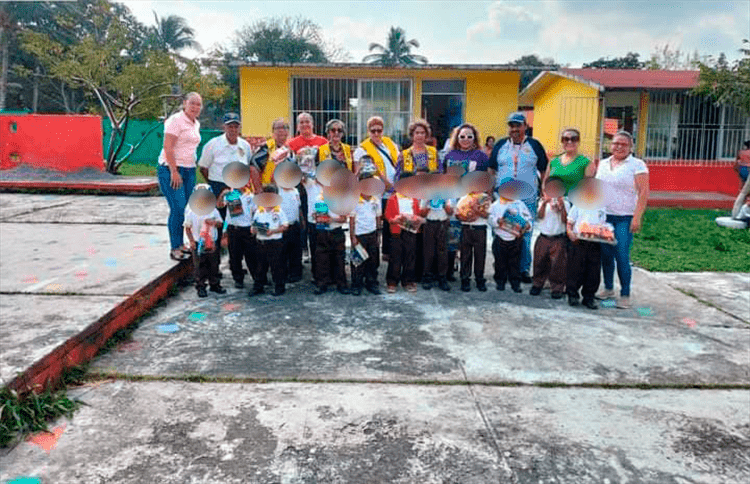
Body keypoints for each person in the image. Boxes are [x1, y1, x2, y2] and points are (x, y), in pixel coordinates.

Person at [489, 112, 549, 283]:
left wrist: (543, 188)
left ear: (525, 126)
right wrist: (490, 191)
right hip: (502, 198)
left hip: (527, 198)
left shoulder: (535, 145)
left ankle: (522, 269)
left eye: (518, 125)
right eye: (511, 126)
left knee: (524, 233)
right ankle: (502, 269)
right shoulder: (500, 145)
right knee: (500, 232)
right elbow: (491, 169)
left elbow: (544, 169)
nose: (514, 129)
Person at [594, 131, 649, 309]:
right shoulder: (603, 164)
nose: (618, 147)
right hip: (604, 217)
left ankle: (625, 294)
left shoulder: (637, 165)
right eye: (615, 143)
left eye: (623, 144)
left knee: (622, 255)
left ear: (630, 147)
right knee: (606, 255)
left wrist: (637, 217)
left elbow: (643, 192)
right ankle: (608, 288)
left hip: (624, 217)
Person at [198, 112, 259, 262]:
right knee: (217, 225)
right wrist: (216, 184)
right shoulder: (212, 144)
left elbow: (248, 166)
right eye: (229, 126)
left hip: (239, 190)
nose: (233, 129)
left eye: (235, 126)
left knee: (237, 225)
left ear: (239, 127)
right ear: (223, 127)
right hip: (219, 187)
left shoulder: (244, 145)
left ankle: (237, 262)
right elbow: (203, 168)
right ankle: (215, 263)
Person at [158, 92, 203, 261]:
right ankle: (174, 247)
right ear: (185, 103)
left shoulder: (195, 124)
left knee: (186, 209)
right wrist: (173, 171)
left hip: (189, 169)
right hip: (171, 169)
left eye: (199, 104)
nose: (195, 107)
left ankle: (182, 243)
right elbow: (168, 147)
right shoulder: (176, 120)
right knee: (178, 207)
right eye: (192, 103)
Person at [354, 116, 400, 259]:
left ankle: (388, 251)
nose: (376, 133)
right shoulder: (362, 149)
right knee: (378, 220)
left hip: (394, 189)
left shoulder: (389, 143)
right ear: (368, 131)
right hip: (377, 191)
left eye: (379, 130)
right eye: (373, 130)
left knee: (391, 220)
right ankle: (378, 252)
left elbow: (398, 162)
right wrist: (385, 182)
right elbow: (359, 172)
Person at [566, 178, 607, 310]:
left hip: (594, 242)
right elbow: (570, 222)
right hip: (578, 242)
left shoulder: (602, 207)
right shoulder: (578, 205)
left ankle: (589, 297)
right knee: (575, 269)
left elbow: (602, 224)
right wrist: (570, 233)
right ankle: (572, 294)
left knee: (593, 272)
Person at [530, 177, 570, 298]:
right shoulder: (542, 202)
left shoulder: (566, 203)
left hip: (558, 238)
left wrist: (561, 207)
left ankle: (557, 287)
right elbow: (540, 216)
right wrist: (545, 203)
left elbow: (565, 220)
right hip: (544, 236)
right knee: (539, 261)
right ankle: (537, 283)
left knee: (558, 263)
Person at [183, 184, 225, 298]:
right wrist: (191, 241)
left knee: (213, 264)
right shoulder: (191, 211)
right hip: (198, 242)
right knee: (199, 265)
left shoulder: (213, 210)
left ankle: (215, 284)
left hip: (211, 241)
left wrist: (214, 223)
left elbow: (221, 223)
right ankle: (201, 286)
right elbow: (187, 227)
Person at [488, 188, 531, 293]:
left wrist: (526, 226)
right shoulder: (495, 205)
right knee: (500, 261)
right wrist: (498, 221)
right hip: (500, 237)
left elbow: (528, 219)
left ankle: (515, 283)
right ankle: (500, 282)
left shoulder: (519, 204)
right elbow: (489, 218)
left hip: (515, 238)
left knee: (515, 262)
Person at [384, 173, 422, 293]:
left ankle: (408, 280)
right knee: (395, 257)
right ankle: (392, 281)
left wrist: (416, 219)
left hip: (410, 231)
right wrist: (394, 220)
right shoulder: (393, 198)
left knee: (410, 256)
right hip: (397, 231)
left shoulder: (414, 199)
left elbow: (419, 213)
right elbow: (387, 215)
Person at [217, 185, 258, 290]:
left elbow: (256, 212)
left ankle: (257, 279)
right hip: (233, 228)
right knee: (235, 256)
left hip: (247, 229)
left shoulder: (251, 197)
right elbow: (220, 205)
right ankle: (238, 279)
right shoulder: (231, 195)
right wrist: (222, 195)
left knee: (252, 256)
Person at [251, 186, 289, 297]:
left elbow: (285, 226)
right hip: (261, 242)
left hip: (275, 242)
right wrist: (254, 230)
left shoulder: (279, 211)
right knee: (260, 266)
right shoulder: (259, 211)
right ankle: (258, 286)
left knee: (277, 266)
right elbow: (253, 226)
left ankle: (279, 287)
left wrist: (273, 231)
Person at [312, 189, 350, 295]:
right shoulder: (320, 200)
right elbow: (319, 216)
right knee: (322, 259)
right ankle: (322, 284)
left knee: (339, 259)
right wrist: (318, 217)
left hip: (336, 231)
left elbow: (343, 219)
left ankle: (341, 284)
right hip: (322, 232)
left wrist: (331, 220)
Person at [349, 180, 382, 295]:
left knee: (373, 260)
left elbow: (378, 217)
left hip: (372, 233)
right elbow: (352, 220)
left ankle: (371, 283)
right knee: (357, 261)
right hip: (359, 235)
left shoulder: (375, 200)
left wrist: (378, 234)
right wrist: (352, 237)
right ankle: (356, 284)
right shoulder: (355, 201)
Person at [455, 189, 491, 292]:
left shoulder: (485, 198)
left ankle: (479, 279)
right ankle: (465, 279)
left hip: (479, 229)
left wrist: (476, 210)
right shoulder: (464, 197)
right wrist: (463, 217)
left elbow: (487, 215)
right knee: (465, 255)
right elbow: (457, 214)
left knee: (480, 255)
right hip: (466, 228)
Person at [543, 128, 595, 195]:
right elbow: (545, 182)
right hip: (552, 199)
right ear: (562, 141)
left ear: (578, 142)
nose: (569, 142)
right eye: (566, 139)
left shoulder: (586, 163)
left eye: (574, 139)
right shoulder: (553, 161)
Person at [420, 195, 452, 291]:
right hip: (429, 223)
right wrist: (428, 204)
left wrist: (445, 206)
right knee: (428, 251)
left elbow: (450, 212)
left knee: (442, 252)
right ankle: (427, 277)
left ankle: (442, 277)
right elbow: (422, 214)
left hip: (442, 223)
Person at [279, 184, 303, 283]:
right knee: (283, 252)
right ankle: (283, 274)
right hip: (282, 226)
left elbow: (299, 207)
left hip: (295, 224)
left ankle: (296, 274)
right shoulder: (278, 191)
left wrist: (302, 220)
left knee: (296, 251)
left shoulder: (295, 191)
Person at [258, 118, 291, 186]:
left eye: (284, 128)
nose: (281, 130)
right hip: (269, 189)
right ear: (273, 131)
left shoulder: (290, 149)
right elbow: (253, 167)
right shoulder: (266, 147)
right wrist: (259, 189)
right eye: (278, 128)